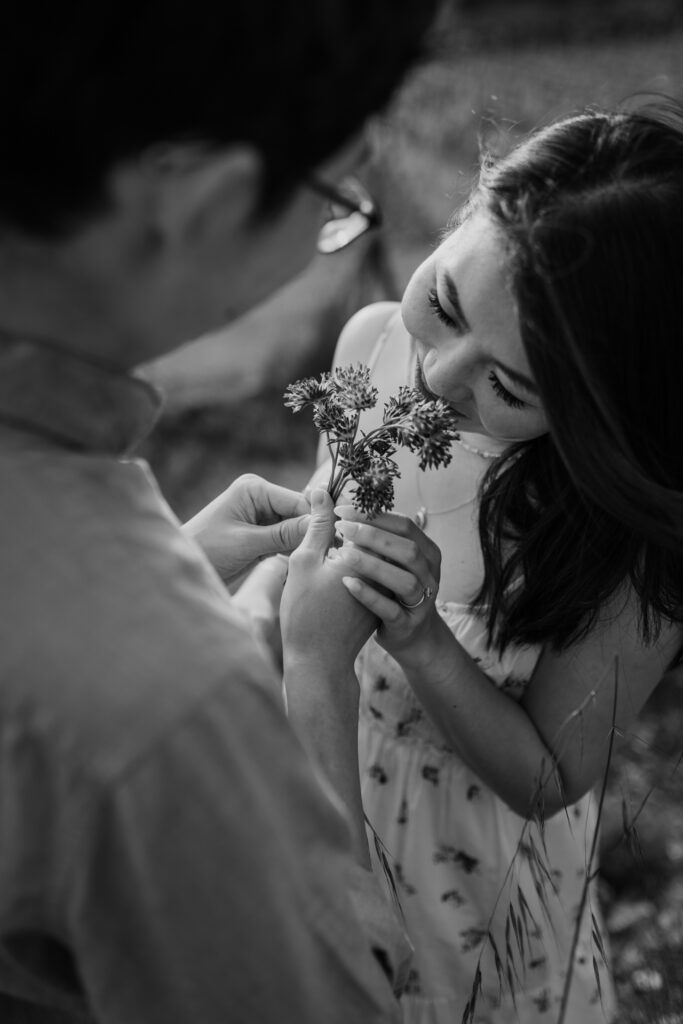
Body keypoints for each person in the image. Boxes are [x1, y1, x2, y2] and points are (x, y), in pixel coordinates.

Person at [0, 2, 441, 1022]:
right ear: (201, 204)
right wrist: (293, 672)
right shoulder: (169, 717)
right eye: (338, 193)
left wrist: (165, 590)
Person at [245, 100, 683, 1022]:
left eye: (513, 385)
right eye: (444, 304)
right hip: (334, 764)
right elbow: (334, 523)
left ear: (611, 406)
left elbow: (548, 780)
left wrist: (421, 639)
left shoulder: (634, 540)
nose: (440, 377)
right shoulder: (373, 342)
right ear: (460, 215)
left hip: (475, 871)